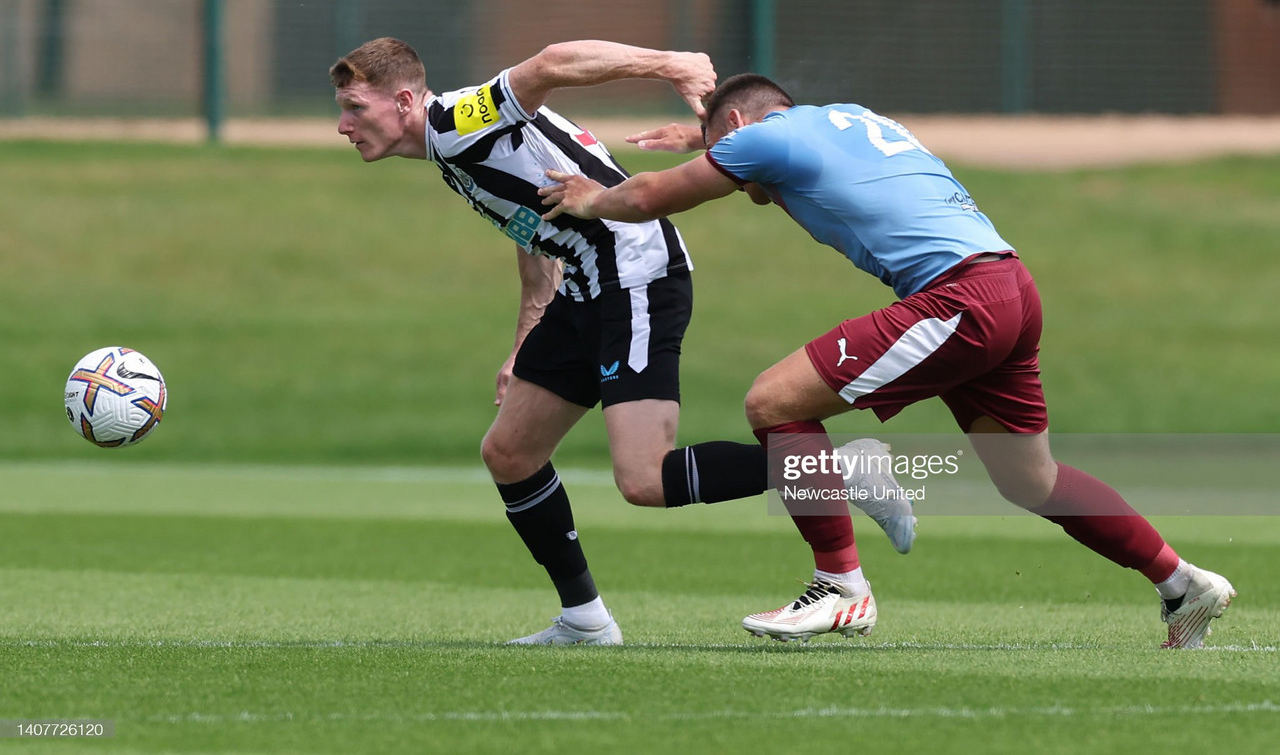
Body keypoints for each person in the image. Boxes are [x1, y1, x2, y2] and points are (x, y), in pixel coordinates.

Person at [539, 72, 1237, 648]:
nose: (743, 187)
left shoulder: (762, 141)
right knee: (1032, 481)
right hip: (1010, 286)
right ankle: (1181, 583)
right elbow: (791, 146)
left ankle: (841, 587)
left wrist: (589, 197)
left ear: (740, 131)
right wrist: (706, 137)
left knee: (772, 402)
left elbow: (651, 195)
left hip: (960, 298)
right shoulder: (840, 115)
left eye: (724, 154)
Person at [328, 42, 915, 646]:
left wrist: (670, 65)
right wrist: (525, 340)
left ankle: (839, 466)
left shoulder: (456, 121)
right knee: (510, 453)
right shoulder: (452, 150)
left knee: (645, 481)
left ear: (403, 101)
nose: (344, 125)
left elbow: (550, 63)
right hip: (586, 286)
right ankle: (585, 620)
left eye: (353, 108)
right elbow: (534, 226)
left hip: (634, 275)